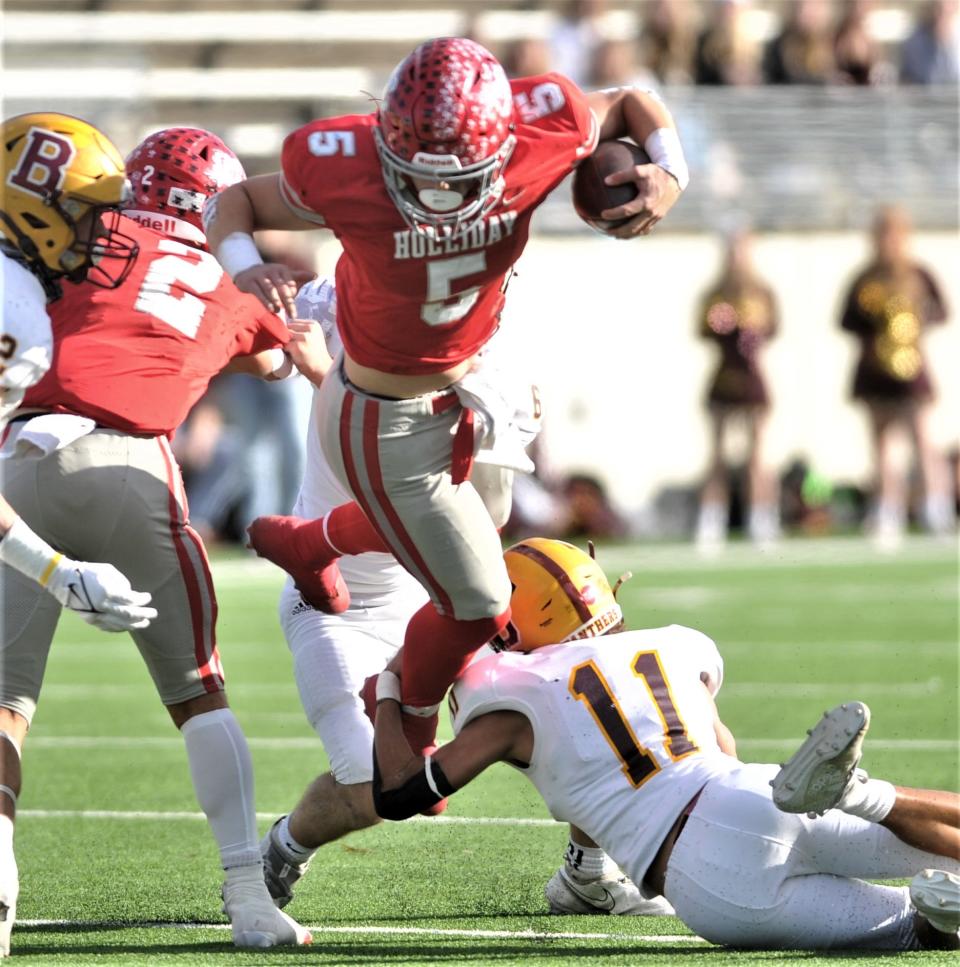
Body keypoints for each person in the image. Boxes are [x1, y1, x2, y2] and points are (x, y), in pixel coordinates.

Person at [205, 35, 688, 763]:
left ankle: (319, 545)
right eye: (418, 178)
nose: (439, 200)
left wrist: (672, 170)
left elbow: (628, 101)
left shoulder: (543, 123)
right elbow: (233, 201)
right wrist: (245, 268)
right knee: (473, 582)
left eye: (460, 179)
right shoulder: (344, 162)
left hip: (479, 357)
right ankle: (407, 708)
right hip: (384, 387)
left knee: (485, 518)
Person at [254, 277, 667, 916]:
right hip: (341, 609)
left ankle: (589, 870)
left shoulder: (497, 366)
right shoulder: (343, 296)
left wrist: (327, 383)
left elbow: (471, 505)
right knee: (390, 787)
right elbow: (247, 341)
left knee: (594, 676)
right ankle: (284, 846)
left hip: (444, 598)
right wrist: (243, 278)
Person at [1, 126, 319, 952]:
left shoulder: (82, 232)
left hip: (21, 456)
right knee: (198, 693)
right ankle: (250, 895)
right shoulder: (233, 272)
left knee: (5, 708)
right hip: (133, 463)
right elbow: (290, 361)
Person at [371, 537, 960, 950]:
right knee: (938, 852)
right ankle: (861, 797)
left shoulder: (513, 701)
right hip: (750, 794)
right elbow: (718, 747)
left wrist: (392, 693)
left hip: (703, 881)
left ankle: (897, 853)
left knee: (913, 930)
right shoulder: (672, 648)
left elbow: (400, 794)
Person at [0, 111, 157, 958]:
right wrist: (57, 570)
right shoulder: (16, 310)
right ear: (38, 210)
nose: (104, 235)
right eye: (91, 215)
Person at [839, 205, 953, 546]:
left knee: (921, 439)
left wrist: (914, 327)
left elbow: (942, 311)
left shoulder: (918, 274)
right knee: (882, 444)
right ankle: (888, 508)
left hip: (911, 369)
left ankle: (936, 508)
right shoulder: (865, 278)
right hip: (875, 370)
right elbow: (846, 320)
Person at [694, 229, 780, 549]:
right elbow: (702, 330)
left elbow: (772, 330)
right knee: (716, 454)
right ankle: (711, 521)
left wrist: (748, 331)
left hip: (753, 378)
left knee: (758, 454)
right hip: (723, 376)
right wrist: (721, 327)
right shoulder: (714, 293)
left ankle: (762, 519)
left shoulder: (762, 292)